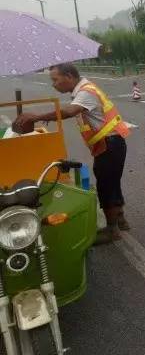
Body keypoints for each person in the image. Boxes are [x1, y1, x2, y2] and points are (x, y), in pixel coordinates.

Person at [13, 63, 130, 244]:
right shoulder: (82, 90)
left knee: (106, 186)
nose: (54, 84)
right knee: (112, 183)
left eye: (56, 79)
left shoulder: (86, 91)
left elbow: (69, 111)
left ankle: (112, 230)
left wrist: (35, 117)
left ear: (69, 76)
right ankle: (121, 220)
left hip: (110, 144)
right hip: (109, 144)